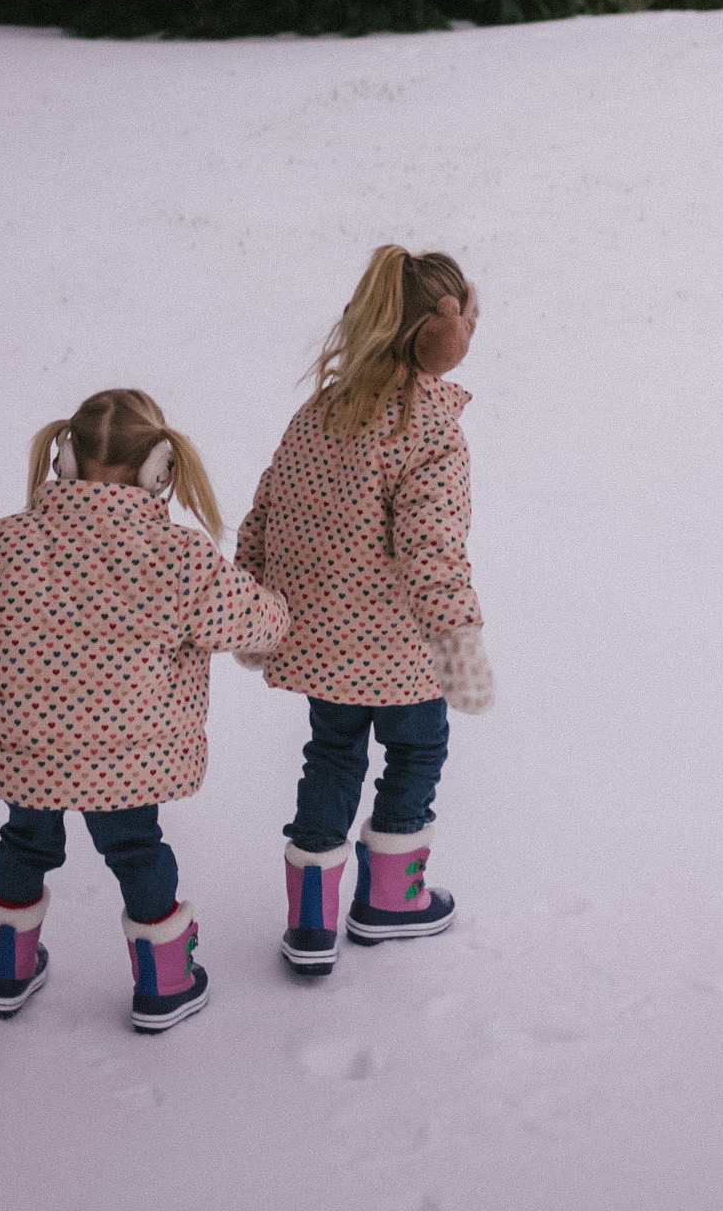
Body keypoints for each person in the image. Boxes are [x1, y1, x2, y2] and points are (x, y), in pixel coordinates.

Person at [0, 388, 289, 1031]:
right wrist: (281, 606)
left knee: (23, 843)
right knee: (139, 850)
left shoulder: (0, 544)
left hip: (26, 751)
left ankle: (7, 971)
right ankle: (166, 983)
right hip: (130, 759)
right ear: (160, 470)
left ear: (63, 459)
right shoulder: (182, 558)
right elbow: (257, 623)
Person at [235, 246, 495, 978]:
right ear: (441, 335)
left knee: (332, 756)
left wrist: (255, 601)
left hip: (321, 647)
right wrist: (457, 640)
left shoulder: (321, 410)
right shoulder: (431, 430)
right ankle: (391, 902)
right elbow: (432, 546)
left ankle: (311, 922)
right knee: (416, 751)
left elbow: (267, 510)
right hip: (404, 654)